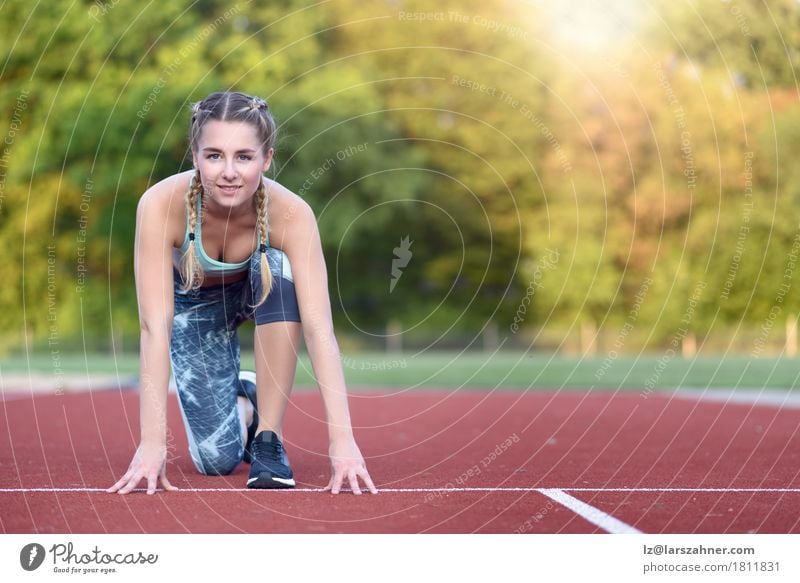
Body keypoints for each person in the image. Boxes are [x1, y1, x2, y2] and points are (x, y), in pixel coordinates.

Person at [106, 91, 377, 496]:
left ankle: (268, 439)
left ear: (266, 159)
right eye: (214, 155)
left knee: (280, 267)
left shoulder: (293, 214)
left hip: (261, 289)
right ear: (195, 156)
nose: (229, 171)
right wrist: (152, 445)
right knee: (216, 461)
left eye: (244, 157)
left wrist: (343, 443)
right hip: (194, 302)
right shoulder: (160, 205)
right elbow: (154, 328)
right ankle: (245, 396)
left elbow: (320, 328)